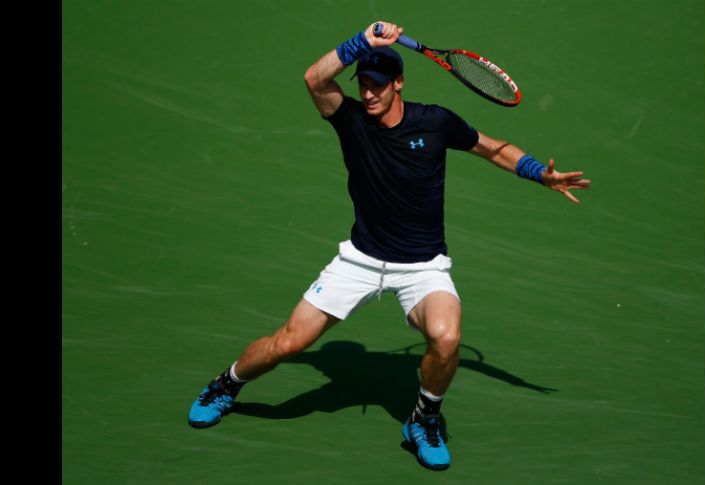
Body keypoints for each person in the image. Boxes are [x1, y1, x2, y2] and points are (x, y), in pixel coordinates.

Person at [188, 21, 590, 471]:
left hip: (423, 267)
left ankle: (424, 419)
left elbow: (493, 149)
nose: (369, 93)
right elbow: (314, 78)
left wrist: (540, 173)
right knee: (288, 344)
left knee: (446, 336)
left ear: (399, 83)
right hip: (359, 261)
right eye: (363, 84)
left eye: (378, 84)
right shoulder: (350, 120)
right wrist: (362, 42)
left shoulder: (435, 122)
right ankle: (226, 384)